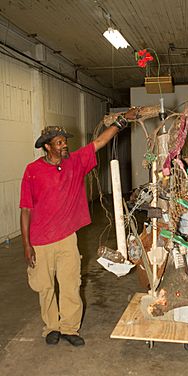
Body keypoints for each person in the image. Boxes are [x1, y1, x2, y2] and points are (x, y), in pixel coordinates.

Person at [20, 108, 138, 347]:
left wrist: (122, 122)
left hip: (67, 238)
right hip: (40, 241)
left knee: (71, 284)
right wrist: (26, 245)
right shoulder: (32, 171)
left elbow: (99, 142)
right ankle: (51, 327)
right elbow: (25, 210)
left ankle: (69, 328)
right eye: (59, 143)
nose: (65, 146)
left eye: (65, 142)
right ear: (47, 147)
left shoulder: (75, 162)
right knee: (45, 288)